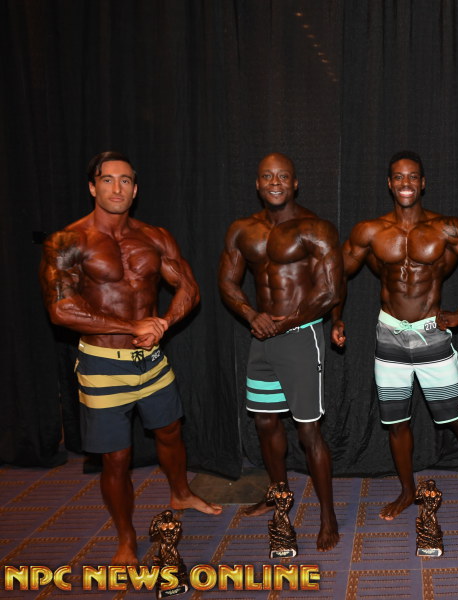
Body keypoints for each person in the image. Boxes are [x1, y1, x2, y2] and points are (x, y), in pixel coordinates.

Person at [39, 151, 222, 565]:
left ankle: (180, 492)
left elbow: (189, 288)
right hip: (103, 363)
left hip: (152, 358)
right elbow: (61, 310)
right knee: (116, 457)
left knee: (170, 430)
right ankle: (126, 536)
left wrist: (163, 322)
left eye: (125, 180)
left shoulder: (155, 236)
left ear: (135, 189)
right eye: (107, 180)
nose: (116, 188)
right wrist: (131, 326)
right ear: (93, 187)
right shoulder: (67, 241)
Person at [331, 151, 458, 519]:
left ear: (422, 183)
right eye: (398, 176)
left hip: (431, 335)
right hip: (389, 335)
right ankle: (407, 490)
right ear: (389, 183)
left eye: (412, 176)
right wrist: (336, 317)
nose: (405, 183)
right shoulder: (370, 231)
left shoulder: (446, 228)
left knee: (455, 416)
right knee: (396, 422)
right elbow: (338, 274)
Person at [218, 153, 342, 551]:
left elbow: (331, 291)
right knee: (265, 422)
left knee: (308, 431)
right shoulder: (242, 230)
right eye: (268, 176)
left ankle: (328, 516)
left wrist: (286, 323)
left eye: (283, 176)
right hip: (261, 338)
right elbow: (228, 282)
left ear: (295, 183)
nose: (275, 182)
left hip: (300, 336)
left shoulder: (315, 228)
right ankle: (278, 496)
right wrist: (251, 314)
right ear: (257, 183)